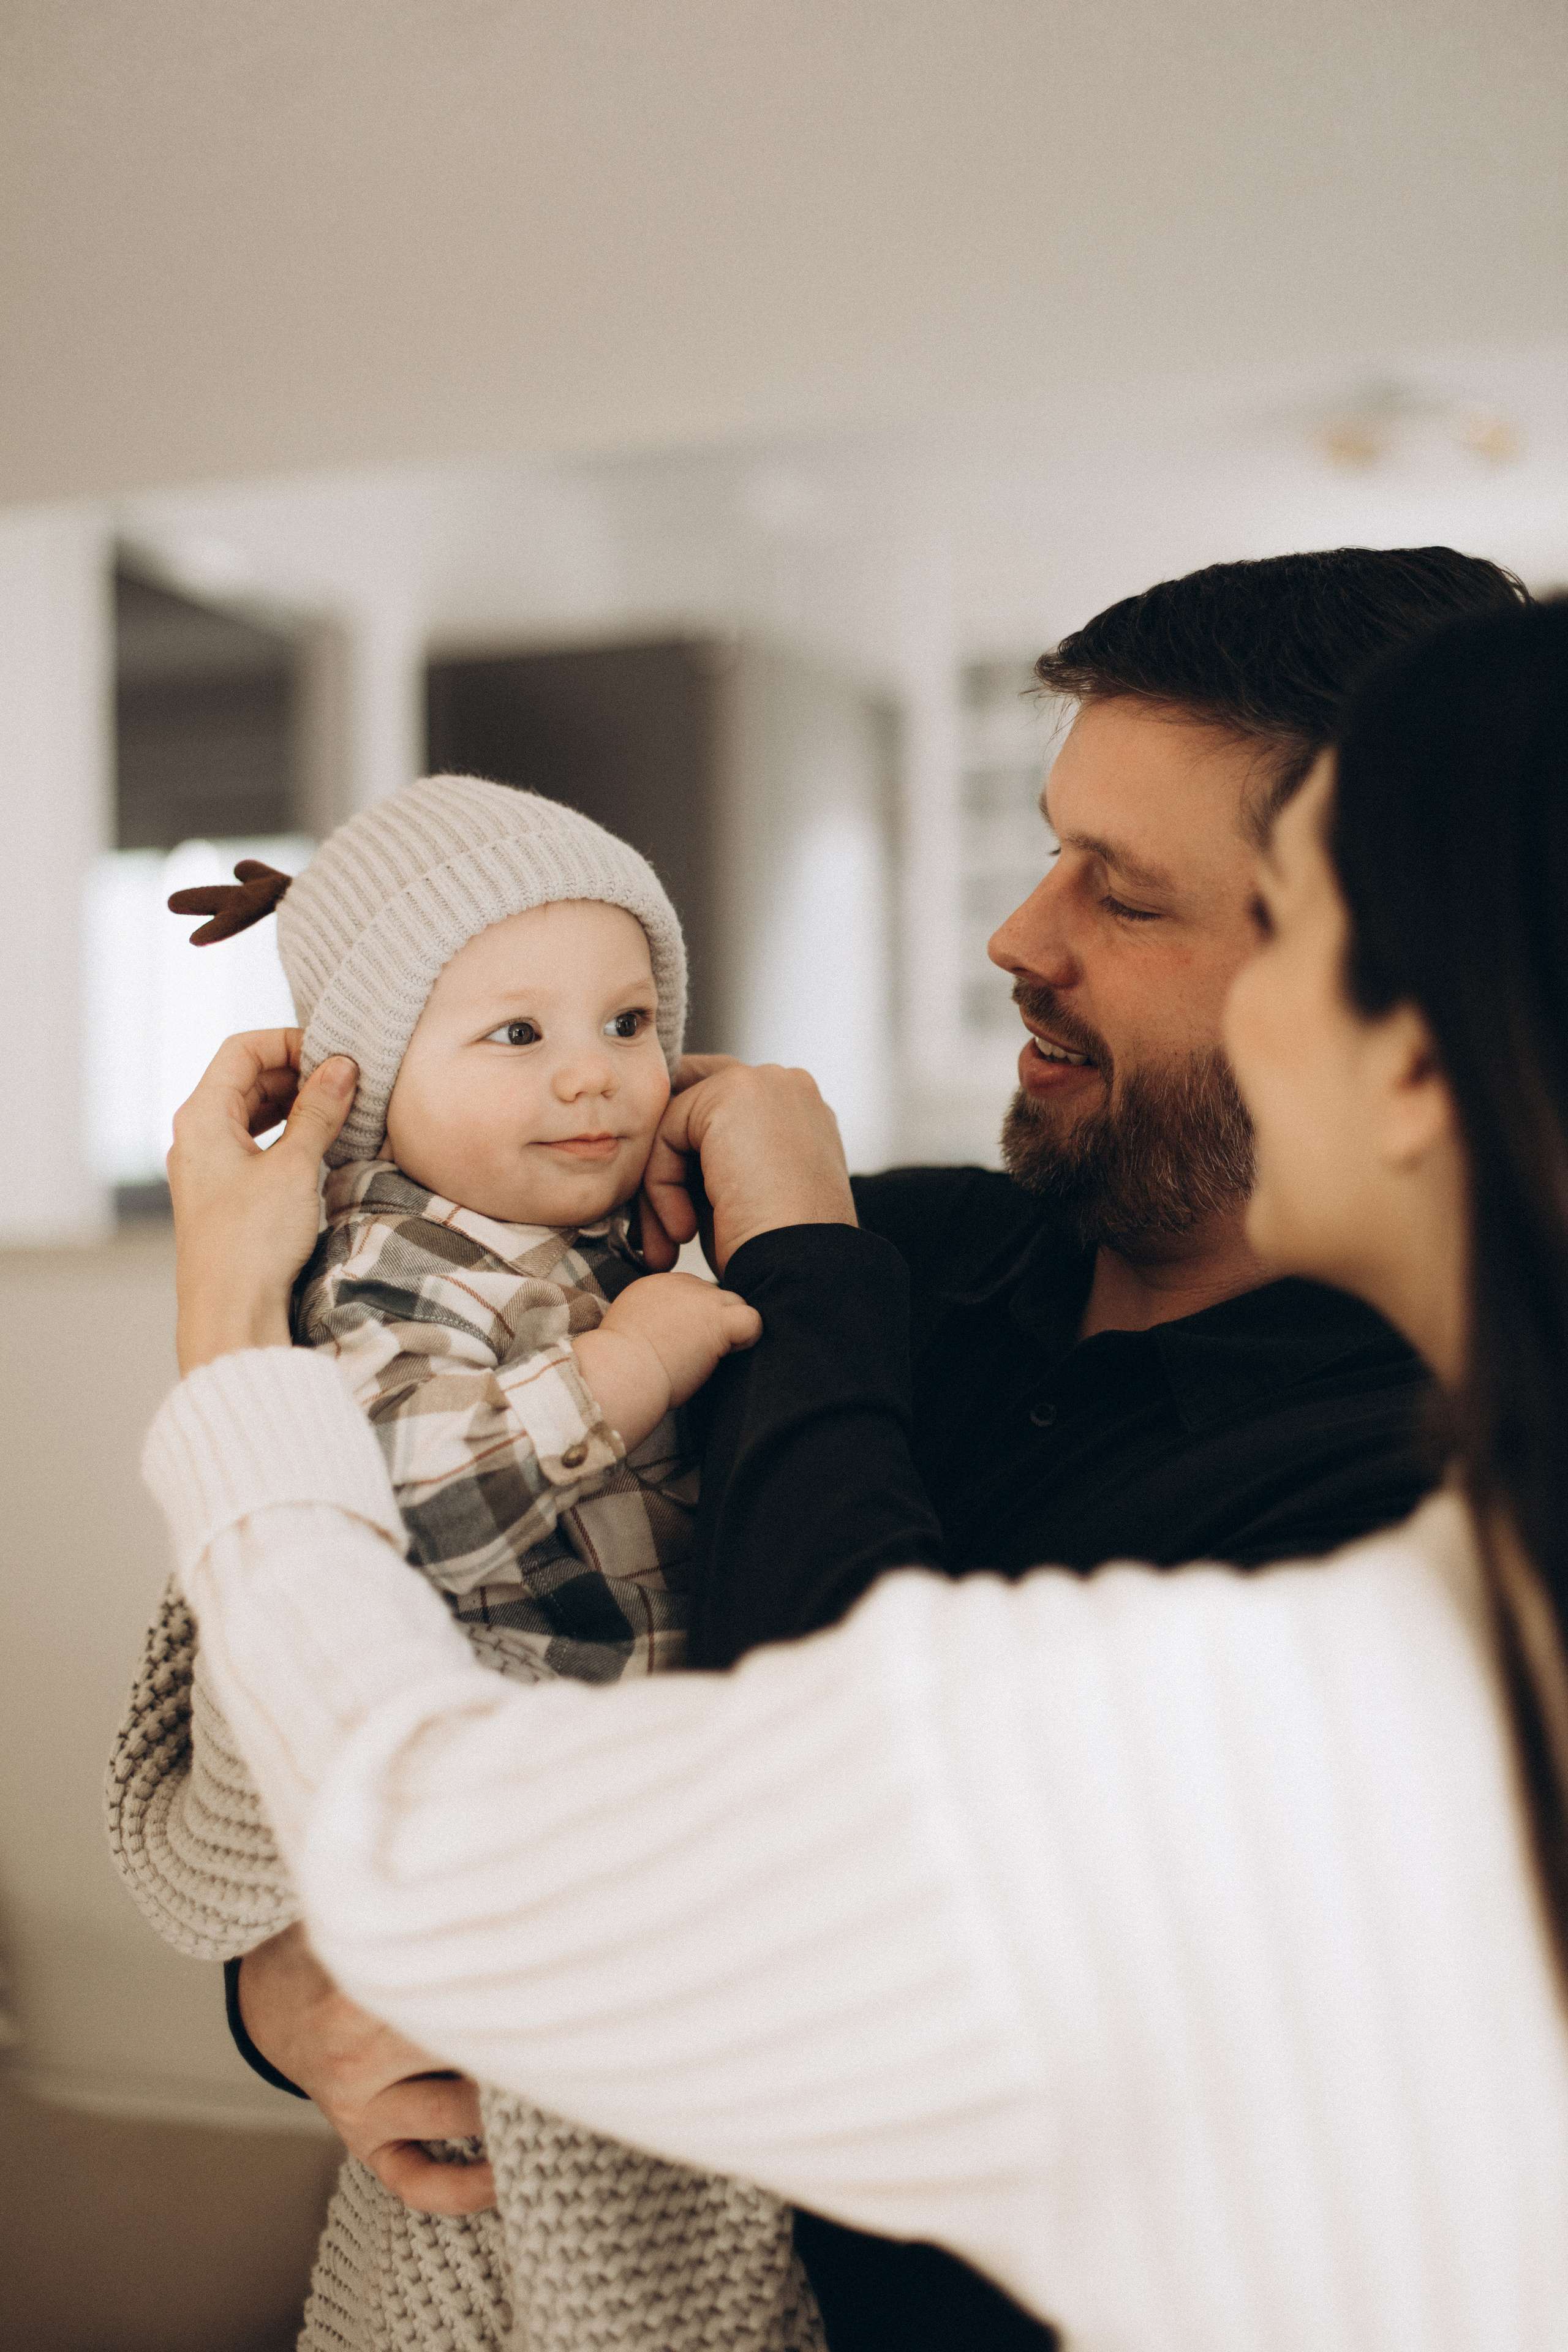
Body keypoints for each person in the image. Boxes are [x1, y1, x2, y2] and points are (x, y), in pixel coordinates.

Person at [134, 596, 1568, 2348]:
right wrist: (291, 1993)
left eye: (1122, 895)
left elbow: (480, 1830)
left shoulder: (1347, 1609)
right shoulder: (880, 1249)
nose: (1015, 934)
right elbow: (323, 1697)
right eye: (1050, 855)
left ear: (1416, 1053)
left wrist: (232, 1321)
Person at [106, 775, 821, 2352]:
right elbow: (387, 1509)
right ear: (363, 1092)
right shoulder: (380, 1272)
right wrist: (624, 1369)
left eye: (631, 1022)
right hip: (484, 1835)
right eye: (516, 1036)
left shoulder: (577, 1259)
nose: (594, 1077)